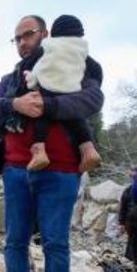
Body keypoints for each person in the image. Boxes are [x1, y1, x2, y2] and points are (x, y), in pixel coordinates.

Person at [0, 14, 104, 272]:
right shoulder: (12, 79)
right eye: (16, 38)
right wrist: (14, 104)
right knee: (15, 240)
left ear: (44, 34)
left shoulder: (74, 64)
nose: (22, 42)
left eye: (28, 35)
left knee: (55, 242)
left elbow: (92, 99)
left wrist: (49, 106)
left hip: (61, 172)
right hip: (16, 171)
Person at [22, 15, 102, 172]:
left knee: (41, 115)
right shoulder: (82, 51)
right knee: (76, 117)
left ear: (52, 33)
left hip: (47, 87)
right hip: (72, 89)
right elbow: (96, 70)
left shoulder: (48, 46)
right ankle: (88, 149)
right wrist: (96, 81)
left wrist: (29, 76)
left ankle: (39, 151)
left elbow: (31, 61)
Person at [118, 166, 137, 266]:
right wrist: (121, 223)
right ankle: (132, 269)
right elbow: (123, 207)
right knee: (132, 245)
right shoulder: (128, 190)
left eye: (136, 172)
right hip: (131, 223)